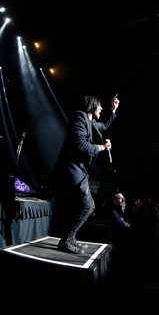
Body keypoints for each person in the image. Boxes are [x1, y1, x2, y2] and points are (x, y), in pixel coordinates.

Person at [51, 94, 120, 254]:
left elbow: (104, 126)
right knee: (89, 205)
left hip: (78, 170)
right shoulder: (79, 117)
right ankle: (66, 239)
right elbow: (80, 145)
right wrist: (101, 147)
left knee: (80, 206)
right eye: (100, 106)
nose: (102, 109)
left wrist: (113, 110)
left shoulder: (89, 121)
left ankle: (70, 238)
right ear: (92, 106)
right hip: (71, 169)